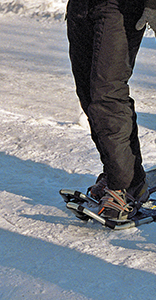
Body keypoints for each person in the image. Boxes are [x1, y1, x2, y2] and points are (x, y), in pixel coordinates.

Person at [66, 0, 156, 220]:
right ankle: (117, 172)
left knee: (107, 93)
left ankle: (126, 186)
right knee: (87, 92)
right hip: (81, 5)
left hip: (120, 6)